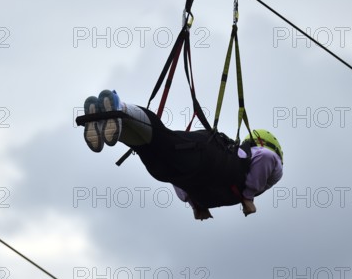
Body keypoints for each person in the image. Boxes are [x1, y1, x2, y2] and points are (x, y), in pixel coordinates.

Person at [81, 89, 283, 220]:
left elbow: (184, 194)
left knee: (153, 144)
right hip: (193, 164)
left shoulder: (247, 168)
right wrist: (248, 196)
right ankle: (118, 111)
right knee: (156, 142)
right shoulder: (267, 163)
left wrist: (196, 203)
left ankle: (114, 117)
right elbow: (269, 158)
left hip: (181, 171)